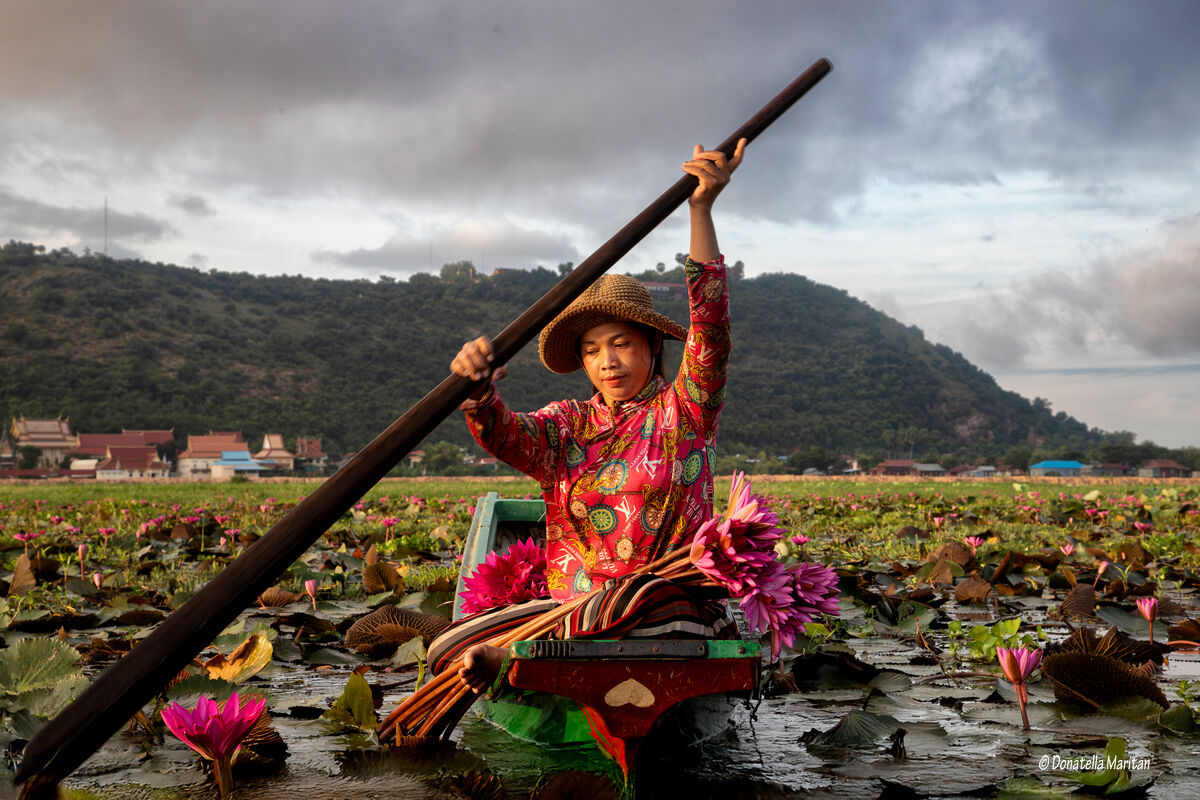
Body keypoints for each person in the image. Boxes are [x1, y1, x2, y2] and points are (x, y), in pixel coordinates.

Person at [431, 138, 747, 695]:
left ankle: (512, 655)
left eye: (622, 343)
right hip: (573, 618)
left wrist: (701, 208)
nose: (608, 360)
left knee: (638, 599)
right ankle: (524, 650)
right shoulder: (566, 425)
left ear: (652, 347)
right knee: (444, 648)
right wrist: (477, 391)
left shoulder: (687, 410)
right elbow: (506, 435)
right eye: (593, 349)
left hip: (670, 614)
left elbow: (711, 330)